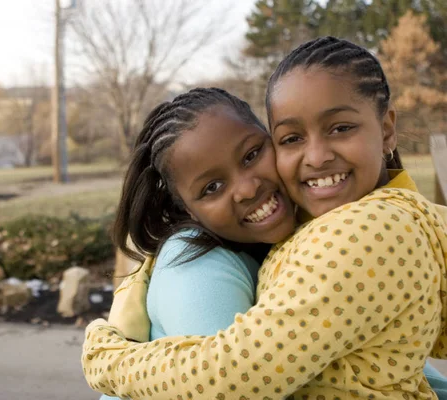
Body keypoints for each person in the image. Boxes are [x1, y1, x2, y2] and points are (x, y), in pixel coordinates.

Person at [82, 37, 447, 399]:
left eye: (340, 128)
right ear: (188, 208)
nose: (317, 157)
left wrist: (108, 360)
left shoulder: (366, 230)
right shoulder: (379, 218)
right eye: (292, 138)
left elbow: (230, 378)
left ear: (386, 129)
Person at [99, 87, 297, 400]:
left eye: (251, 155)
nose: (246, 189)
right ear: (188, 209)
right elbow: (232, 391)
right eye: (212, 187)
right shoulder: (196, 267)